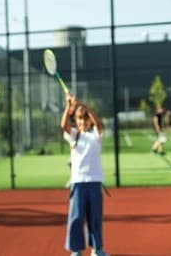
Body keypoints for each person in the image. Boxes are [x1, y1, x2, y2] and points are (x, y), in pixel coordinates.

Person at [60, 93, 109, 256]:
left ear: (89, 120)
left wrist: (83, 105)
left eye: (85, 118)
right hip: (78, 183)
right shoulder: (74, 135)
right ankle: (76, 250)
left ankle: (97, 250)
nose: (82, 121)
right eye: (79, 119)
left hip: (94, 182)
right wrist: (69, 106)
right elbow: (63, 125)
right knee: (76, 217)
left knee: (95, 218)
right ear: (77, 121)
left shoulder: (96, 135)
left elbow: (99, 124)